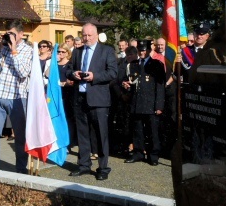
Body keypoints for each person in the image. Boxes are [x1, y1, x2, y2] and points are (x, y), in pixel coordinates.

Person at [66, 23, 118, 181]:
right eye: (84, 35)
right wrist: (73, 74)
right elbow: (68, 69)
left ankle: (103, 167)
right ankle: (84, 165)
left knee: (101, 134)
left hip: (98, 99)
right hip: (80, 98)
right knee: (82, 134)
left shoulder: (107, 50)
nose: (87, 38)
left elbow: (113, 72)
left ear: (96, 35)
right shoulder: (77, 51)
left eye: (90, 35)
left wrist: (94, 76)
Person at [0, 20, 32, 173]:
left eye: (12, 33)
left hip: (17, 98)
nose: (9, 36)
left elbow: (23, 72)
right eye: (7, 33)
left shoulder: (28, 50)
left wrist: (14, 51)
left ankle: (21, 168)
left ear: (21, 34)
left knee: (20, 136)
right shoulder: (2, 48)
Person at [123, 40, 165, 166]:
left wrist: (159, 105)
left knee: (152, 131)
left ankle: (153, 155)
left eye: (144, 50)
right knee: (137, 130)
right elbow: (131, 81)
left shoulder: (156, 64)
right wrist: (126, 85)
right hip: (136, 102)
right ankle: (138, 153)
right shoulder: (134, 64)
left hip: (151, 103)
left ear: (149, 50)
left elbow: (160, 86)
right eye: (140, 50)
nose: (142, 53)